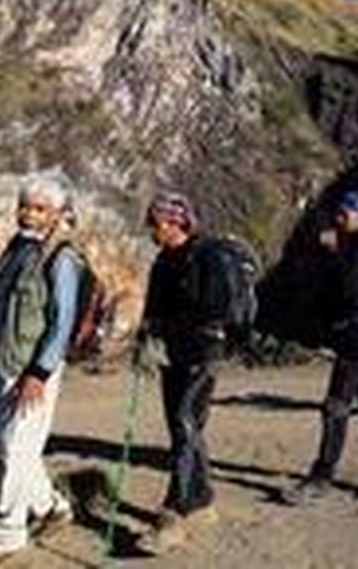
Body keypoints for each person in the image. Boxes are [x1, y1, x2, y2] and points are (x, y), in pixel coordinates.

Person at [0, 175, 83, 567]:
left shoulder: (63, 259)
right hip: (5, 359)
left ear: (57, 214)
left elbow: (62, 323)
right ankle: (52, 506)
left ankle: (8, 535)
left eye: (39, 208)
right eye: (24, 206)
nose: (28, 214)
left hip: (34, 369)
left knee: (20, 448)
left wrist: (39, 374)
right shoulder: (18, 249)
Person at [282, 190, 358, 505]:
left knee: (336, 407)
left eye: (347, 212)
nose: (340, 217)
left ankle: (321, 477)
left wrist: (335, 250)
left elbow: (350, 286)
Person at [133, 191, 228, 554]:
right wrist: (146, 337)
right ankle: (202, 499)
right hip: (173, 354)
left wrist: (170, 325)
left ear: (175, 223)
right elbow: (154, 309)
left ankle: (177, 512)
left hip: (202, 353)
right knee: (182, 427)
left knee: (186, 422)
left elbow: (214, 308)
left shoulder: (207, 256)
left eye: (155, 223)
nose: (151, 230)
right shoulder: (163, 261)